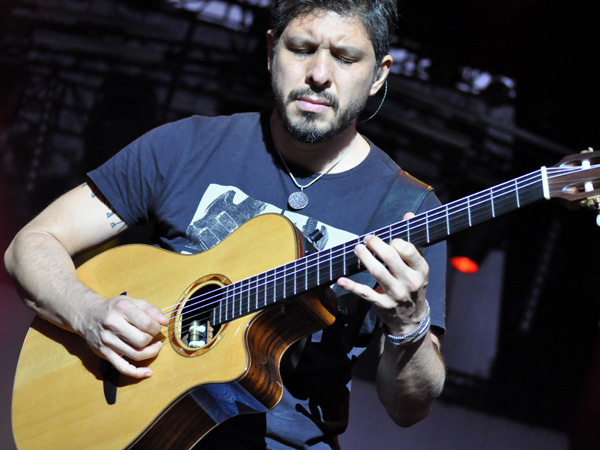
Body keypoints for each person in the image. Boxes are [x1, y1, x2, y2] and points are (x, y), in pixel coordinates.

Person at [4, 0, 447, 448]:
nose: (318, 73)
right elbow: (32, 244)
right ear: (272, 51)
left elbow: (409, 409)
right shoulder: (187, 145)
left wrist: (410, 323)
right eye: (301, 48)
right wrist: (88, 313)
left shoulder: (407, 211)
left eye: (345, 57)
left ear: (379, 75)